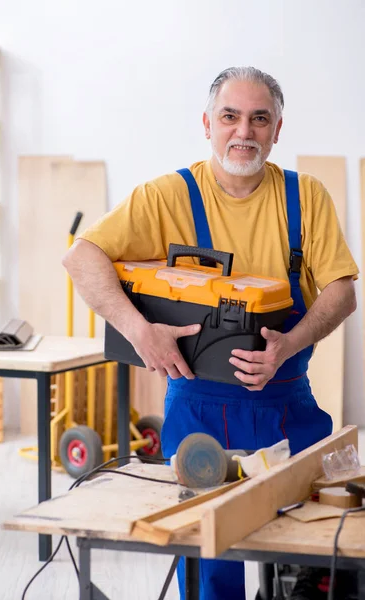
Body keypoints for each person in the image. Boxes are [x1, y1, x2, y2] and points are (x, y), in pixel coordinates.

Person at [63, 66, 358, 600]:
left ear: (276, 130)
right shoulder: (167, 196)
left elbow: (342, 292)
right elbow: (81, 257)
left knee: (308, 560)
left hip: (287, 408)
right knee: (209, 565)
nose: (243, 131)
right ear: (207, 123)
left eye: (258, 118)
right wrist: (138, 330)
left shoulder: (304, 197)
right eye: (230, 116)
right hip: (196, 414)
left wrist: (289, 344)